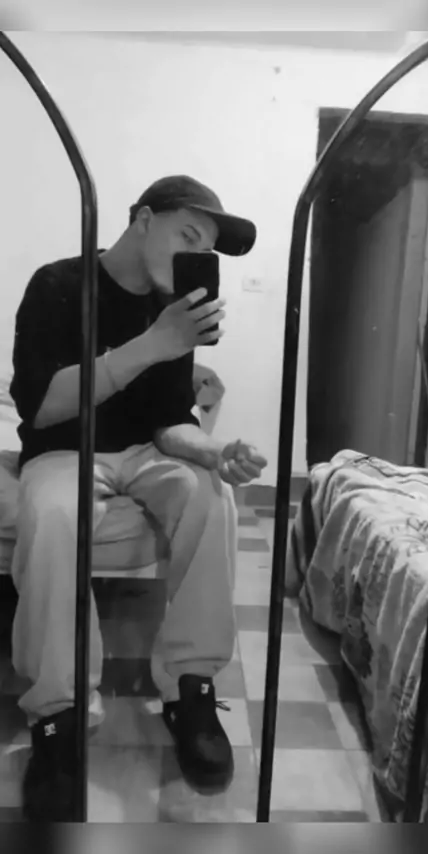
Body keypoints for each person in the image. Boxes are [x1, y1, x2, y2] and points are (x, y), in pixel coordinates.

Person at [9, 175, 268, 822]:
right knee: (54, 513)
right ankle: (60, 714)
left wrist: (215, 451)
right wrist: (154, 343)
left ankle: (191, 687)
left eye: (203, 250)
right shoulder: (58, 284)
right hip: (66, 452)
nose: (192, 258)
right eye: (188, 236)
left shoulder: (172, 305)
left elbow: (169, 422)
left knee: (211, 497)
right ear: (144, 218)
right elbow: (41, 406)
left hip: (147, 454)